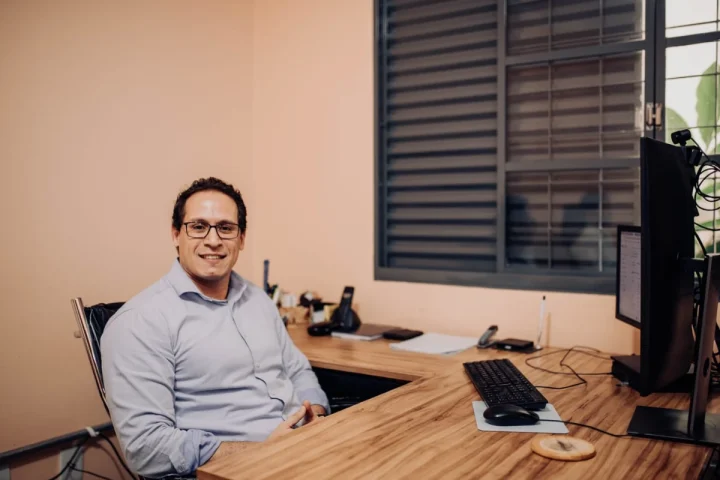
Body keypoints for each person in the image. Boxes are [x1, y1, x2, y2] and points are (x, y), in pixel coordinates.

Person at [101, 177, 329, 479]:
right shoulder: (140, 322)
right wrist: (263, 451)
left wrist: (317, 415)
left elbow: (297, 370)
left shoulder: (258, 299)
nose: (213, 240)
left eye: (225, 228)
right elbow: (146, 448)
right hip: (238, 470)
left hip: (307, 448)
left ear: (241, 238)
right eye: (198, 227)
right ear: (175, 234)